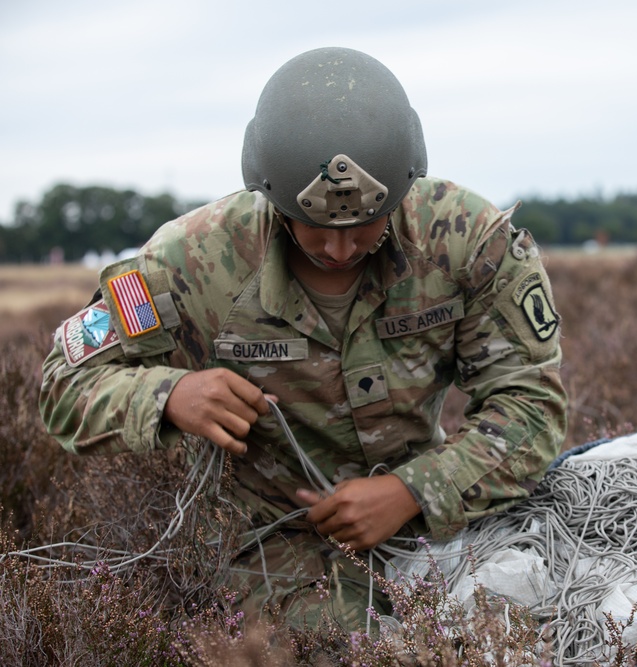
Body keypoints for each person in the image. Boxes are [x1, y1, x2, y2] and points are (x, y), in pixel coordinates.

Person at [38, 46, 567, 633]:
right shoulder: (190, 261)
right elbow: (65, 386)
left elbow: (532, 405)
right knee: (360, 642)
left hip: (429, 516)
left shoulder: (465, 241)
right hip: (267, 543)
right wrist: (171, 395)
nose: (339, 251)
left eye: (364, 226)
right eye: (316, 228)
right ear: (271, 196)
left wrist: (411, 491)